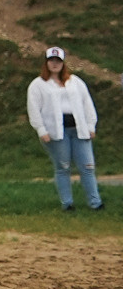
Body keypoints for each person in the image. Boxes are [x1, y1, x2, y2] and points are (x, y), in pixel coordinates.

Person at [28, 47, 100, 212]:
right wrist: (41, 130)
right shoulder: (38, 85)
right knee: (63, 167)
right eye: (51, 61)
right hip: (57, 132)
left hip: (78, 129)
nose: (54, 64)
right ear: (46, 63)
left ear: (63, 63)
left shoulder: (75, 82)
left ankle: (95, 202)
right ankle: (67, 204)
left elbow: (87, 103)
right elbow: (34, 109)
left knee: (87, 166)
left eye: (58, 61)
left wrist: (91, 125)